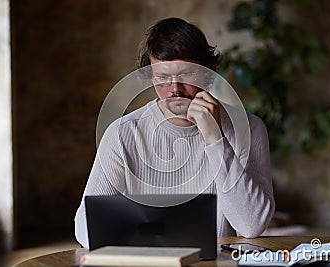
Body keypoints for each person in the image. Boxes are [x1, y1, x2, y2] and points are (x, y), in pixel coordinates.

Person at [74, 17, 275, 248]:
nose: (174, 89)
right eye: (162, 78)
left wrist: (215, 139)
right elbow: (85, 230)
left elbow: (251, 225)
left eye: (186, 74)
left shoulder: (249, 128)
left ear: (208, 74)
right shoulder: (122, 134)